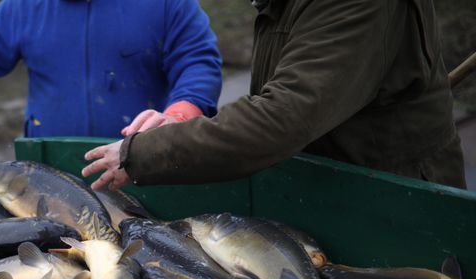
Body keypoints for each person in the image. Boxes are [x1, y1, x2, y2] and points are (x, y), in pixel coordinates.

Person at [83, 0, 466, 191]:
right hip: (332, 188)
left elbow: (281, 118)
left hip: (397, 203)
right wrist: (181, 126)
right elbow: (274, 98)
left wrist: (148, 151)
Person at [0, 0, 223, 138]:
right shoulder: (28, 5)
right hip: (50, 173)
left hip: (141, 165)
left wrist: (177, 117)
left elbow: (198, 63)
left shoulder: (166, 3)